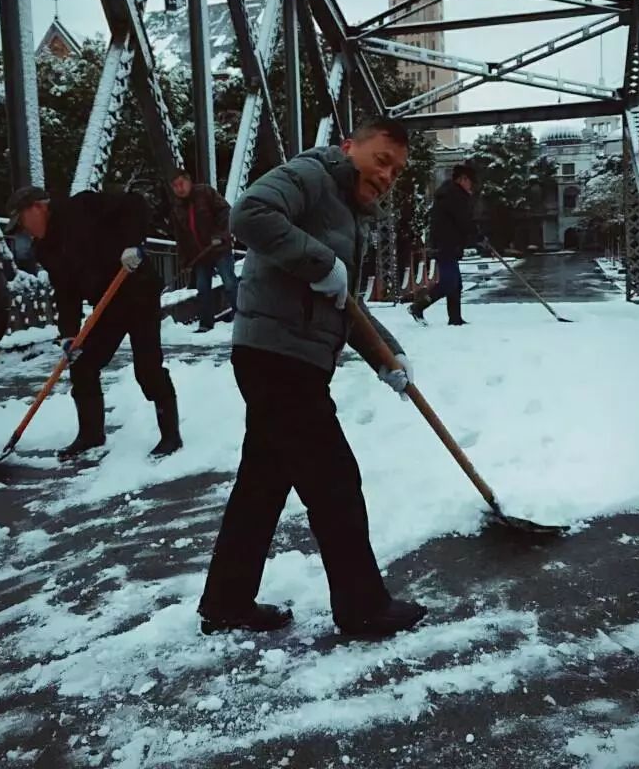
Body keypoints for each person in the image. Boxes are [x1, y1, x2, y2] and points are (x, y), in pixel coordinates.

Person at [198, 117, 427, 639]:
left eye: (397, 169)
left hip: (285, 357)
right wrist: (320, 260)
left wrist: (387, 356)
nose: (388, 174)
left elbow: (341, 298)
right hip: (277, 358)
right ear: (349, 147)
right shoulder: (313, 174)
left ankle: (226, 602)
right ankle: (363, 607)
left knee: (262, 485)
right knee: (334, 481)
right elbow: (249, 213)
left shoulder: (345, 210)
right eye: (381, 159)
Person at [5, 185, 183, 461]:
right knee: (83, 363)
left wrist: (133, 244)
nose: (24, 231)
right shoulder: (46, 250)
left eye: (23, 221)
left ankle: (171, 435)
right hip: (107, 304)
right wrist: (68, 335)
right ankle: (91, 435)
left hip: (137, 291)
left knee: (147, 368)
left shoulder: (82, 206)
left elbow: (135, 203)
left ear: (39, 207)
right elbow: (65, 293)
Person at [410, 163, 486, 326]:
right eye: (470, 182)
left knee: (455, 284)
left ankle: (455, 318)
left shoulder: (450, 192)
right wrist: (478, 235)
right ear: (463, 179)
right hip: (446, 244)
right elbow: (463, 220)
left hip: (447, 243)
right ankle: (418, 307)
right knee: (448, 282)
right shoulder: (454, 195)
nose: (471, 186)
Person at [170, 170, 238, 332]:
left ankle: (241, 316)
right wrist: (185, 262)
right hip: (200, 255)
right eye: (175, 186)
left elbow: (225, 212)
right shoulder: (177, 208)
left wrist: (220, 235)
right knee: (202, 288)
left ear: (189, 181)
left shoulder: (205, 193)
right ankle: (206, 323)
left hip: (219, 247)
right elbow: (181, 238)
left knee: (229, 282)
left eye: (181, 183)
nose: (179, 189)